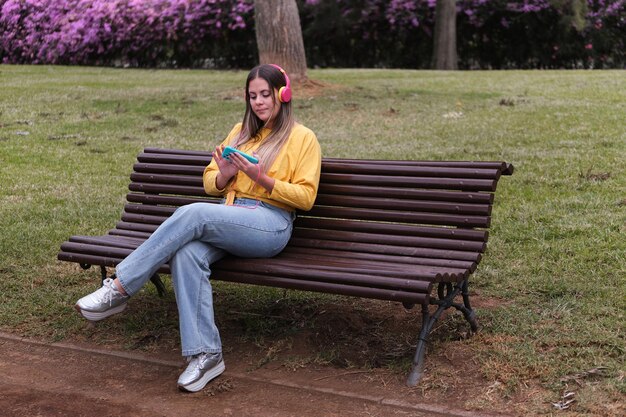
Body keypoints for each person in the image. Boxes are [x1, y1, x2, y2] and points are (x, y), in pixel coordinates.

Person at [75, 64, 322, 393]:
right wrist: (225, 175)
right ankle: (206, 355)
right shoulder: (240, 133)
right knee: (188, 254)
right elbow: (210, 182)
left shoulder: (303, 138)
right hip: (231, 216)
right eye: (253, 96)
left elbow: (305, 197)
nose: (259, 102)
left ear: (283, 94)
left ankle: (119, 288)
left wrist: (262, 178)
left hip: (270, 223)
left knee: (192, 215)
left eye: (266, 94)